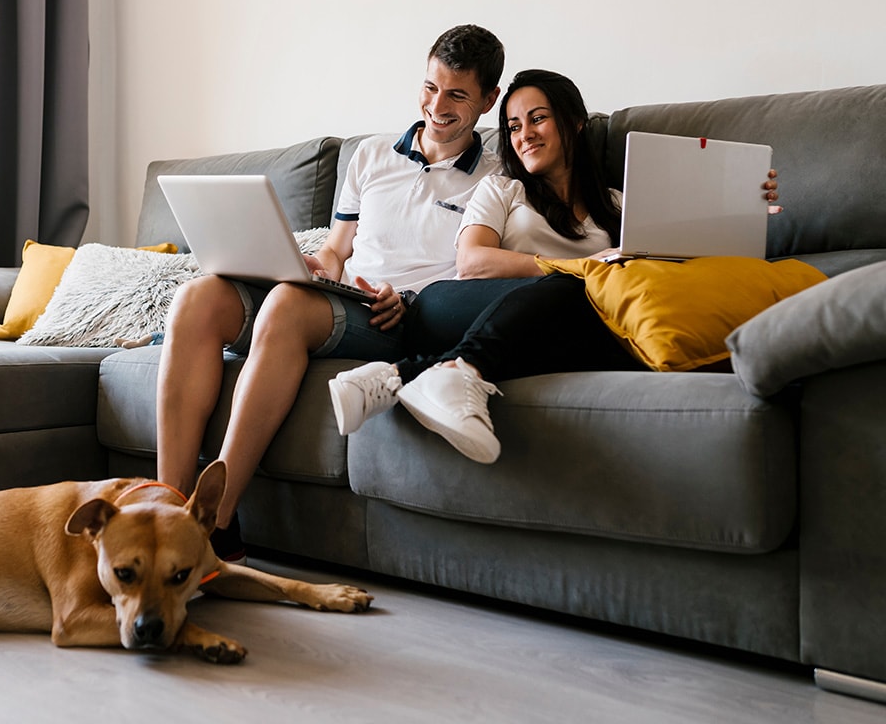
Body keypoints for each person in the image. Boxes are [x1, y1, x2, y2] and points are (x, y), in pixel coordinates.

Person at [157, 25, 507, 562]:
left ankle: (214, 524)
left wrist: (411, 296)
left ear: (488, 100)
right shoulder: (370, 156)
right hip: (341, 296)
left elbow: (481, 270)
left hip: (400, 317)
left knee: (287, 307)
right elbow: (336, 252)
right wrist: (300, 263)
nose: (437, 105)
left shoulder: (496, 175)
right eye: (431, 87)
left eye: (457, 94)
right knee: (198, 298)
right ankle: (165, 513)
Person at [329, 69, 780, 464]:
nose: (524, 133)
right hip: (453, 306)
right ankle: (450, 371)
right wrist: (581, 265)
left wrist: (745, 205)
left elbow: (676, 269)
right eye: (513, 125)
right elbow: (473, 261)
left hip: (562, 322)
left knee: (605, 323)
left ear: (575, 122)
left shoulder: (620, 208)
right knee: (578, 288)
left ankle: (399, 377)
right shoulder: (501, 190)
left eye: (538, 118)